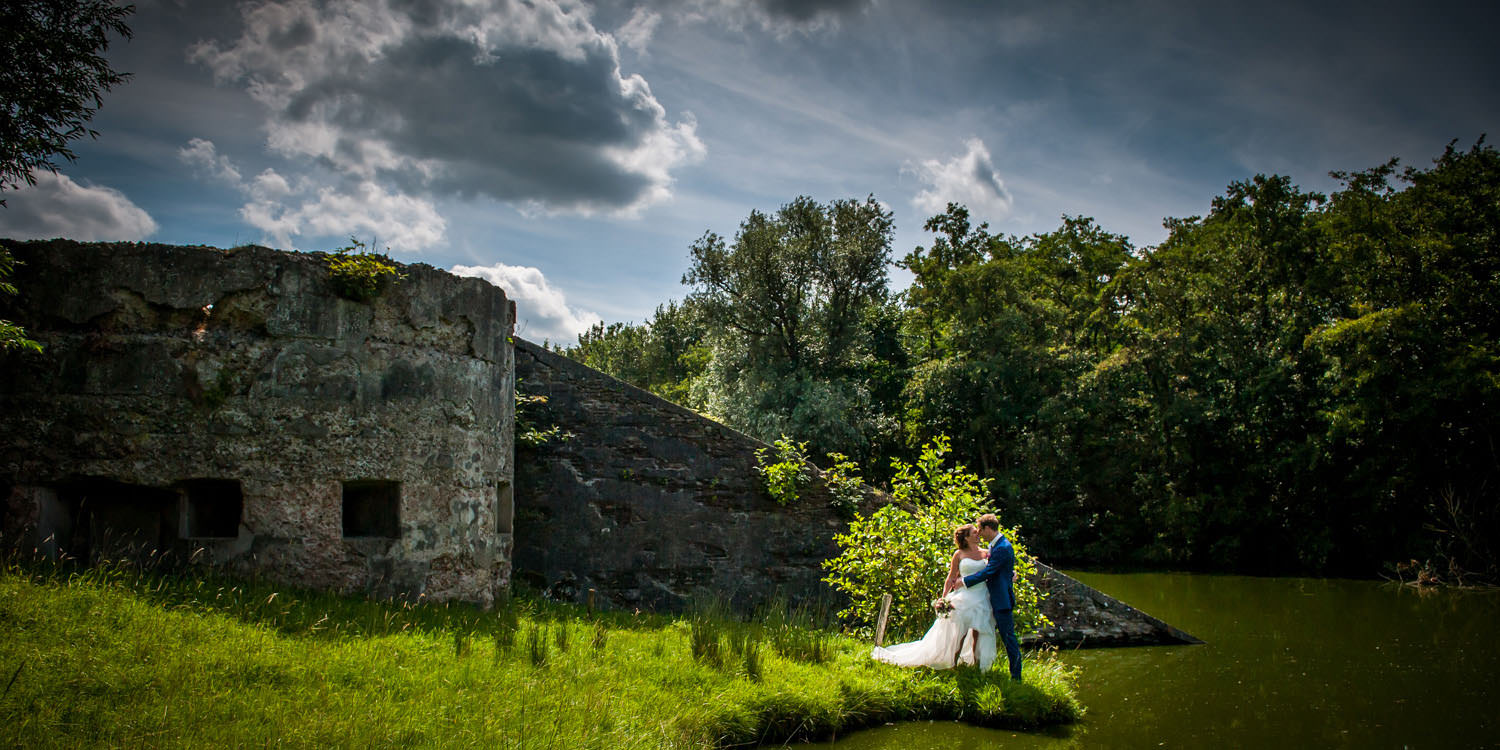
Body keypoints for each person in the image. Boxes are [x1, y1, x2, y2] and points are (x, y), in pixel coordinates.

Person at [870, 523, 997, 670]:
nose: (978, 534)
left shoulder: (986, 553)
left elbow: (993, 571)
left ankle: (976, 664)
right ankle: (953, 663)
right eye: (974, 533)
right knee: (960, 632)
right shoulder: (959, 554)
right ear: (967, 537)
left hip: (981, 595)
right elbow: (950, 578)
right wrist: (943, 598)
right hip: (964, 597)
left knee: (978, 631)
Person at [962, 513, 1023, 681]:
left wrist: (964, 581)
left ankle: (1016, 677)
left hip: (1001, 600)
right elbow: (1000, 569)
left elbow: (990, 571)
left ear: (988, 528)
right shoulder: (995, 545)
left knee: (1008, 638)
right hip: (989, 599)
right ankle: (978, 666)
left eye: (980, 529)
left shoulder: (1003, 547)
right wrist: (1010, 573)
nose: (979, 533)